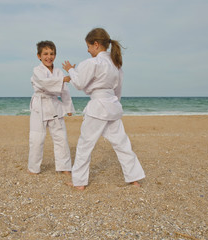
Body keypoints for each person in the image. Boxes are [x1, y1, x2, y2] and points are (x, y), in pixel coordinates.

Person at [62, 28, 145, 190]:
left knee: (85, 144)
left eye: (88, 46)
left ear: (96, 44)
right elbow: (118, 91)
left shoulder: (93, 63)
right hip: (112, 106)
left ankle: (79, 182)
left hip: (98, 107)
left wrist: (70, 70)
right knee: (122, 144)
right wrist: (114, 105)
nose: (87, 50)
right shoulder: (116, 65)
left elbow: (79, 84)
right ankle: (134, 178)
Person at [28, 40, 75, 175]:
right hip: (40, 107)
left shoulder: (59, 72)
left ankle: (64, 167)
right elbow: (44, 83)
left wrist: (68, 107)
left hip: (55, 106)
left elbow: (64, 91)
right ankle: (33, 168)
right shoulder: (37, 71)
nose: (49, 57)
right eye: (46, 54)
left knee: (61, 137)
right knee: (37, 139)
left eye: (52, 53)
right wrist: (63, 80)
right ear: (39, 56)